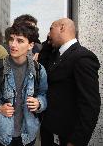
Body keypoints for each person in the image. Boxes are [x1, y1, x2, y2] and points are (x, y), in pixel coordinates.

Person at [40, 18, 101, 146]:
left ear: (62, 28)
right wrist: (47, 44)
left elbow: (90, 105)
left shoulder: (82, 57)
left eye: (51, 29)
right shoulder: (56, 54)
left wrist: (76, 141)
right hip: (49, 131)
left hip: (67, 137)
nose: (49, 34)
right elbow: (43, 70)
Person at [0, 23, 48, 146]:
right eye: (11, 39)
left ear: (31, 45)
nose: (13, 44)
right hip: (0, 133)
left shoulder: (38, 69)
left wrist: (39, 103)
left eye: (20, 41)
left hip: (27, 135)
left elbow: (44, 94)